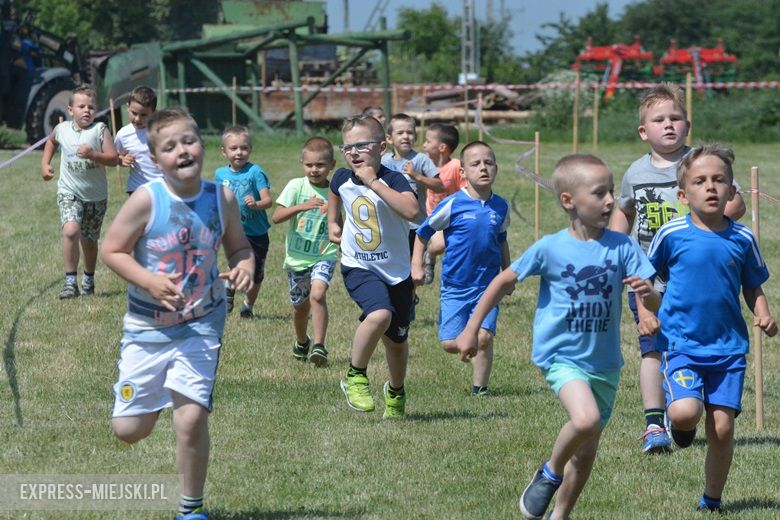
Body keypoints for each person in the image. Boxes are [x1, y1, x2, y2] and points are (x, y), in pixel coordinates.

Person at [457, 154, 659, 519]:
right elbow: (503, 281)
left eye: (611, 191)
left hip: (606, 363)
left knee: (585, 452)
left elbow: (653, 297)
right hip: (561, 357)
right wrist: (471, 329)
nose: (611, 201)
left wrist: (648, 297)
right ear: (569, 201)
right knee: (585, 420)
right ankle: (549, 472)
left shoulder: (623, 245)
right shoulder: (550, 247)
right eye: (599, 194)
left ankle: (560, 514)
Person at [101, 108, 254, 520]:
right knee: (129, 431)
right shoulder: (147, 200)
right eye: (169, 147)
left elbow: (239, 246)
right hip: (147, 330)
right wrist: (149, 280)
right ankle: (163, 386)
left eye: (188, 141)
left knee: (189, 422)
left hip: (201, 325)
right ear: (155, 159)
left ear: (202, 146)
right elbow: (112, 250)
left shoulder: (220, 197)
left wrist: (245, 265)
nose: (181, 150)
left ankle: (191, 509)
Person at [610, 83, 746, 453]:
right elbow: (624, 214)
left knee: (696, 349)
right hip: (649, 281)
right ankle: (654, 424)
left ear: (687, 125)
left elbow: (736, 206)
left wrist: (710, 218)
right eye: (659, 120)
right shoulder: (635, 174)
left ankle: (693, 406)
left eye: (675, 118)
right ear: (644, 131)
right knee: (652, 348)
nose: (668, 125)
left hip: (695, 281)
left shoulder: (701, 165)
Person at [647, 144, 776, 513]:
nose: (711, 187)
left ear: (732, 191)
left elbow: (753, 284)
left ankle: (712, 499)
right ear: (684, 194)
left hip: (729, 349)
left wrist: (764, 314)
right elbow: (648, 277)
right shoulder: (671, 234)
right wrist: (645, 311)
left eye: (719, 180)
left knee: (722, 429)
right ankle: (681, 427)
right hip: (681, 342)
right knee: (686, 412)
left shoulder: (742, 239)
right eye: (701, 181)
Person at [328, 114, 419, 419]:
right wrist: (332, 222)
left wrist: (374, 183)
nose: (353, 152)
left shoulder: (394, 179)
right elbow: (334, 189)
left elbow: (411, 210)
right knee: (379, 314)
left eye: (361, 146)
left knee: (396, 341)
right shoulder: (342, 177)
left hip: (398, 272)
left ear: (382, 148)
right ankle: (355, 376)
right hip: (358, 266)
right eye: (347, 147)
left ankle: (395, 391)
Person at [411, 141, 509, 396]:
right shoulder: (453, 204)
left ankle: (480, 389)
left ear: (496, 168)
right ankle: (464, 335)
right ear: (463, 172)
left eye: (488, 163)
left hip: (488, 285)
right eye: (475, 164)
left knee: (484, 338)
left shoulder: (501, 206)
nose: (483, 168)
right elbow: (422, 234)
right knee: (449, 344)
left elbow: (502, 240)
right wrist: (417, 266)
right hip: (456, 284)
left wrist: (508, 274)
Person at [40, 84, 119, 299]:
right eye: (81, 106)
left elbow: (114, 159)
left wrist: (94, 154)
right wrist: (45, 164)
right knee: (71, 231)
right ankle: (69, 282)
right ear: (70, 110)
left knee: (90, 242)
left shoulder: (100, 130)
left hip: (96, 196)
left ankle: (89, 280)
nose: (87, 110)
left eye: (91, 107)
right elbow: (51, 142)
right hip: (69, 190)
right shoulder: (62, 129)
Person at [271, 136, 339, 367]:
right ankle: (302, 341)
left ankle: (319, 346)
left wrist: (334, 210)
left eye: (320, 165)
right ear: (302, 163)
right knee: (300, 308)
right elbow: (277, 217)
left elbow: (342, 225)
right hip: (297, 259)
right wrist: (302, 206)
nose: (314, 170)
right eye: (309, 165)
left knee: (318, 294)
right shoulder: (295, 186)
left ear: (332, 165)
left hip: (324, 254)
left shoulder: (334, 192)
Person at [214, 125, 272, 318]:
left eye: (244, 148)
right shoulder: (220, 174)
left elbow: (268, 201)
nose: (239, 152)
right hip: (234, 231)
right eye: (233, 148)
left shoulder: (255, 172)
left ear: (250, 149)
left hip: (257, 233)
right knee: (236, 265)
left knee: (257, 275)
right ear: (224, 151)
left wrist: (256, 204)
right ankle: (229, 288)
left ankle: (248, 306)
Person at [420, 122, 465, 284]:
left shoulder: (456, 166)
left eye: (428, 141)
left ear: (442, 147)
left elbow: (465, 190)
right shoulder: (423, 163)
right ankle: (430, 257)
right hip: (434, 215)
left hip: (454, 216)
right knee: (438, 246)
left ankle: (454, 275)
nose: (424, 145)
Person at [114, 85, 163, 194]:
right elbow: (115, 155)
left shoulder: (161, 130)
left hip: (163, 185)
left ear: (153, 113)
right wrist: (122, 160)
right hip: (137, 188)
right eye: (134, 113)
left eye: (144, 115)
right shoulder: (123, 134)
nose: (137, 119)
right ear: (128, 107)